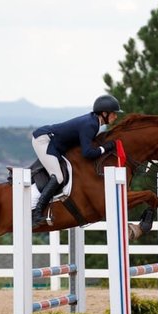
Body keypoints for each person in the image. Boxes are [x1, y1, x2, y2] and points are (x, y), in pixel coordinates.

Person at [30, 94, 122, 227]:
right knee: (58, 177)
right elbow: (88, 153)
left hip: (55, 144)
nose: (116, 116)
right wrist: (105, 148)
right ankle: (37, 213)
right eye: (114, 113)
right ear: (104, 113)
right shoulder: (91, 125)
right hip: (44, 141)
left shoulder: (94, 123)